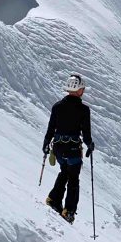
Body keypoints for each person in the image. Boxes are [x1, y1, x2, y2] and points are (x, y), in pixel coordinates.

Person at [44, 74, 95, 222]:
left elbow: (51, 127)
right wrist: (90, 144)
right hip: (73, 149)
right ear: (79, 89)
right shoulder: (84, 110)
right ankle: (69, 211)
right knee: (73, 179)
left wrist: (46, 142)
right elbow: (86, 134)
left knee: (64, 172)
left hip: (59, 148)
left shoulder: (57, 106)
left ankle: (54, 199)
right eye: (82, 88)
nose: (83, 90)